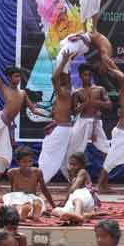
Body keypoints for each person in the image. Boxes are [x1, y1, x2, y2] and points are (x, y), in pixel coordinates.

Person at [39, 51, 76, 183]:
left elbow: (54, 78)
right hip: (61, 128)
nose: (61, 78)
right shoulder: (64, 93)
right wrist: (68, 62)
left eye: (64, 77)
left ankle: (41, 181)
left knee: (48, 154)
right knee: (62, 158)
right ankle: (74, 182)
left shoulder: (65, 92)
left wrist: (64, 61)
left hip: (61, 129)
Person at [66, 63, 111, 164]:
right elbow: (74, 111)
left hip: (96, 121)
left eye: (90, 75)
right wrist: (85, 104)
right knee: (73, 148)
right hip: (82, 121)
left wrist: (97, 102)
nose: (88, 77)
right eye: (85, 75)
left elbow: (109, 105)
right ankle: (74, 176)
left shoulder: (100, 89)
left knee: (106, 149)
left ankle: (105, 175)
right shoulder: (77, 92)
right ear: (80, 76)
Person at [52, 151, 99, 224]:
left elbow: (73, 189)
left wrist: (65, 201)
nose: (72, 167)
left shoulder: (82, 172)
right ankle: (83, 215)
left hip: (85, 199)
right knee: (55, 211)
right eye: (70, 164)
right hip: (78, 204)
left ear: (82, 165)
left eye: (75, 165)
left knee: (76, 195)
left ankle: (78, 215)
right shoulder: (72, 174)